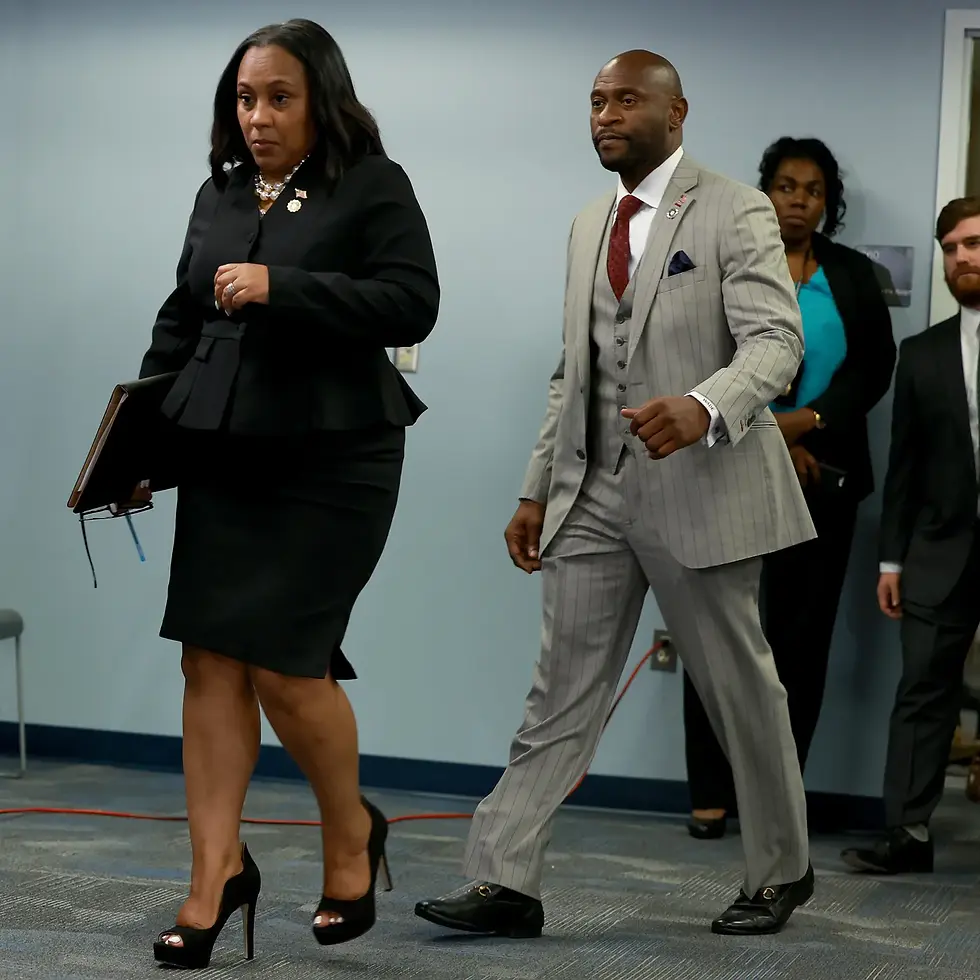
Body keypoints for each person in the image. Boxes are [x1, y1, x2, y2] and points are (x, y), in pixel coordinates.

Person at [415, 50, 815, 939]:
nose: (605, 114)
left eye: (626, 99)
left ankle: (781, 870)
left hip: (702, 488)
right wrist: (535, 489)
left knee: (738, 692)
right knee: (558, 691)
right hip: (592, 492)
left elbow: (777, 342)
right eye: (596, 101)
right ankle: (503, 879)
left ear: (677, 114)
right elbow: (576, 372)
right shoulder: (589, 221)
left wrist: (707, 405)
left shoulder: (736, 209)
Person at [136, 19, 439, 969]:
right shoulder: (219, 193)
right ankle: (215, 874)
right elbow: (180, 320)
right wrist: (137, 447)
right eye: (243, 99)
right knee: (209, 663)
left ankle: (349, 836)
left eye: (278, 98)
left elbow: (411, 302)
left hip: (335, 457)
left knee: (285, 665)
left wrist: (286, 286)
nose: (257, 117)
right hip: (226, 455)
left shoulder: (374, 185)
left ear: (322, 101)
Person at [682, 137, 896, 840]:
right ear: (763, 192)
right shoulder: (731, 265)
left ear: (827, 202)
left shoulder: (855, 277)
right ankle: (710, 791)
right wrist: (771, 434)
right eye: (783, 185)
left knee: (801, 645)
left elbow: (871, 370)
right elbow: (709, 357)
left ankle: (776, 798)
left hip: (824, 481)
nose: (797, 199)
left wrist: (807, 425)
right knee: (721, 632)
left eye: (811, 189)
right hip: (731, 466)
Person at [841, 197, 980, 875]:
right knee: (923, 689)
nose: (962, 258)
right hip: (938, 551)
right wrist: (891, 559)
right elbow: (904, 468)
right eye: (951, 248)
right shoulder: (922, 355)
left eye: (974, 243)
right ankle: (909, 834)